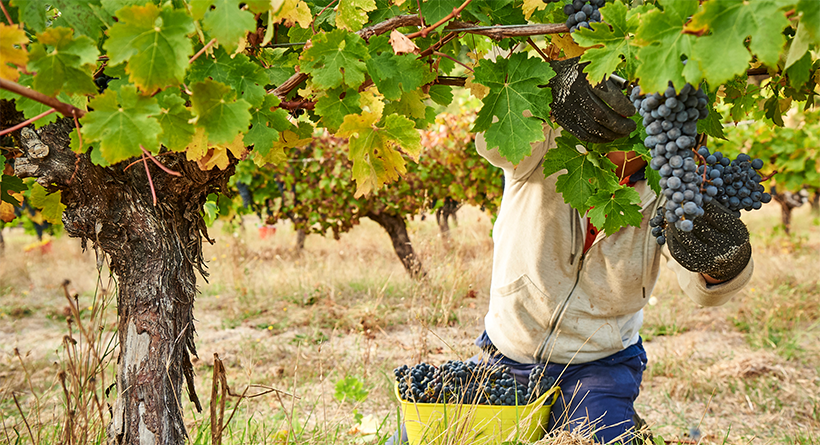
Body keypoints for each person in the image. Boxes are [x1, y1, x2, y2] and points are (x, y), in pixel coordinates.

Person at [387, 57, 753, 444]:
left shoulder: (674, 190)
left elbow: (700, 287)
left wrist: (723, 265)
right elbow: (494, 140)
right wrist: (553, 92)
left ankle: (611, 417)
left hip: (602, 361)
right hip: (512, 346)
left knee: (600, 437)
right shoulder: (549, 144)